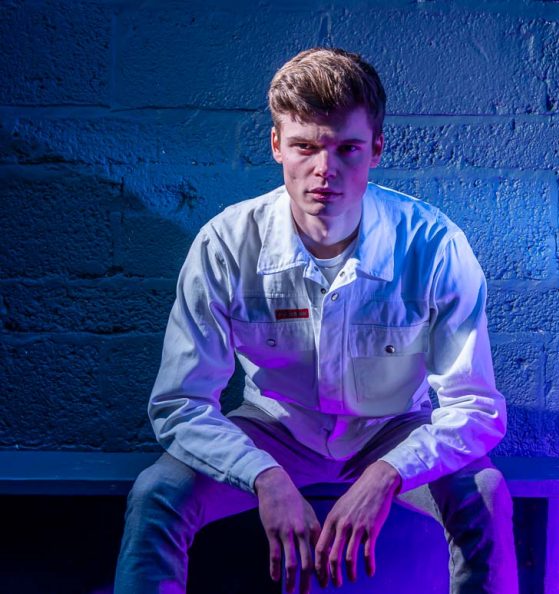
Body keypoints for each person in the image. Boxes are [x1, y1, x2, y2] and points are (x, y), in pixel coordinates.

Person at [115, 47, 517, 594]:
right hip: (274, 428)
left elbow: (477, 407)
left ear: (375, 148)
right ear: (277, 145)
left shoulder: (434, 245)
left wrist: (387, 473)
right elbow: (180, 402)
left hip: (394, 430)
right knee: (155, 494)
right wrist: (264, 476)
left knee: (486, 493)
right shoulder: (228, 244)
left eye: (347, 148)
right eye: (304, 146)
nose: (324, 170)